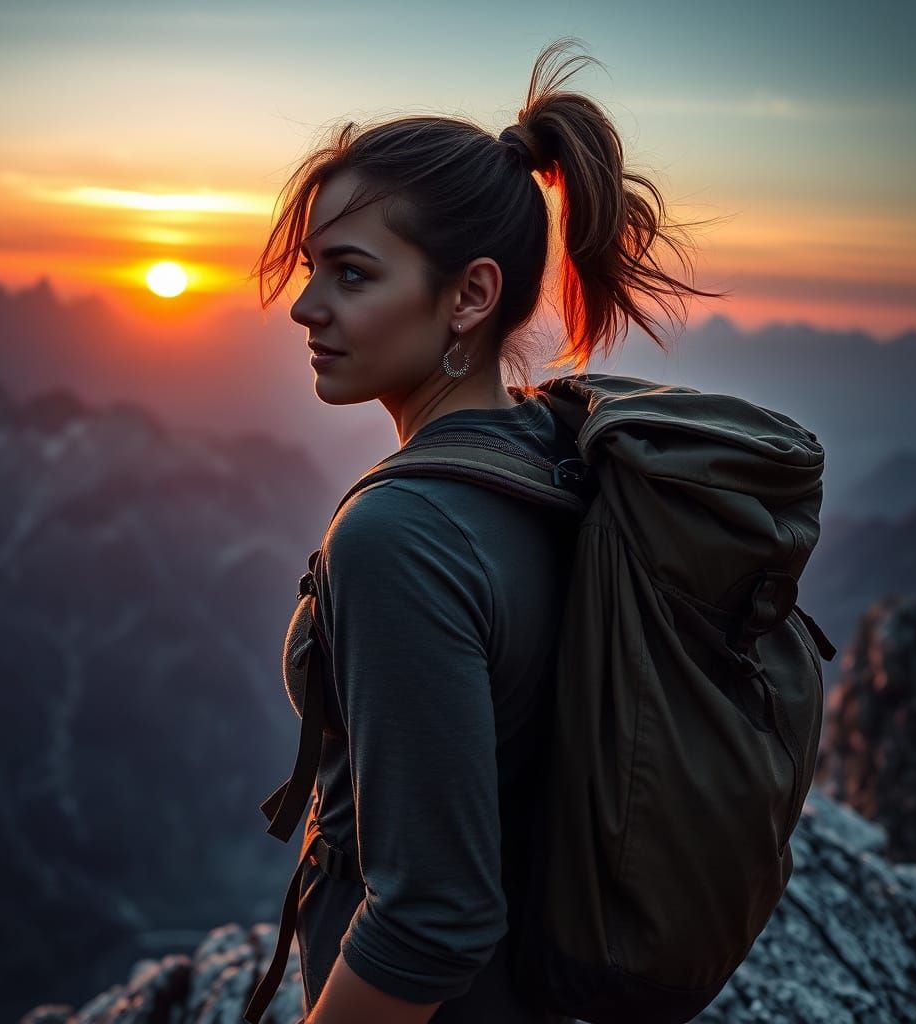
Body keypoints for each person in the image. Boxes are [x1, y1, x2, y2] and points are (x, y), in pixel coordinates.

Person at [251, 35, 728, 1024]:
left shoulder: (400, 534)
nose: (303, 306)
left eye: (350, 274)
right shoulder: (557, 455)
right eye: (311, 270)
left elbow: (433, 913)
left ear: (468, 295)